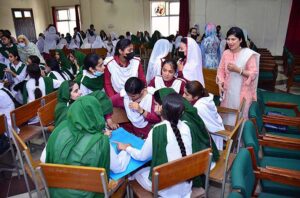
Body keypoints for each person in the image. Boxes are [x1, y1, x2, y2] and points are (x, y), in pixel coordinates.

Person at [41, 96, 130, 198]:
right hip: (90, 194)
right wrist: (126, 150)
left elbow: (43, 159)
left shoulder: (59, 130)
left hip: (58, 193)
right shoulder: (101, 142)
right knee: (124, 178)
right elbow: (119, 168)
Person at [117, 93, 193, 197]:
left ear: (162, 109)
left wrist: (127, 148)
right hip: (186, 186)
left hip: (165, 188)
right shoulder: (186, 127)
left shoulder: (158, 130)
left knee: (132, 174)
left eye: (157, 104)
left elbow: (141, 156)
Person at [154, 88, 220, 168]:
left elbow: (169, 137)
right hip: (206, 154)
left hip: (199, 164)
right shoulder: (185, 108)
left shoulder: (182, 119)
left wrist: (162, 115)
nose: (155, 107)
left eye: (156, 104)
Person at [217, 27, 260, 125]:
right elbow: (220, 71)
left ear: (240, 40)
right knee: (227, 118)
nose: (230, 42)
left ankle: (238, 138)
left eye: (233, 39)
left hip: (242, 92)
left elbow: (253, 74)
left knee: (239, 120)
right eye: (228, 39)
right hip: (228, 92)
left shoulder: (248, 54)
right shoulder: (226, 53)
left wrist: (238, 70)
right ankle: (227, 137)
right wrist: (220, 83)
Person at [183, 81, 224, 150]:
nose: (183, 95)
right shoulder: (206, 98)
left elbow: (200, 128)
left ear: (196, 97)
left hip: (211, 137)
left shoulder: (198, 107)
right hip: (215, 129)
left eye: (186, 94)